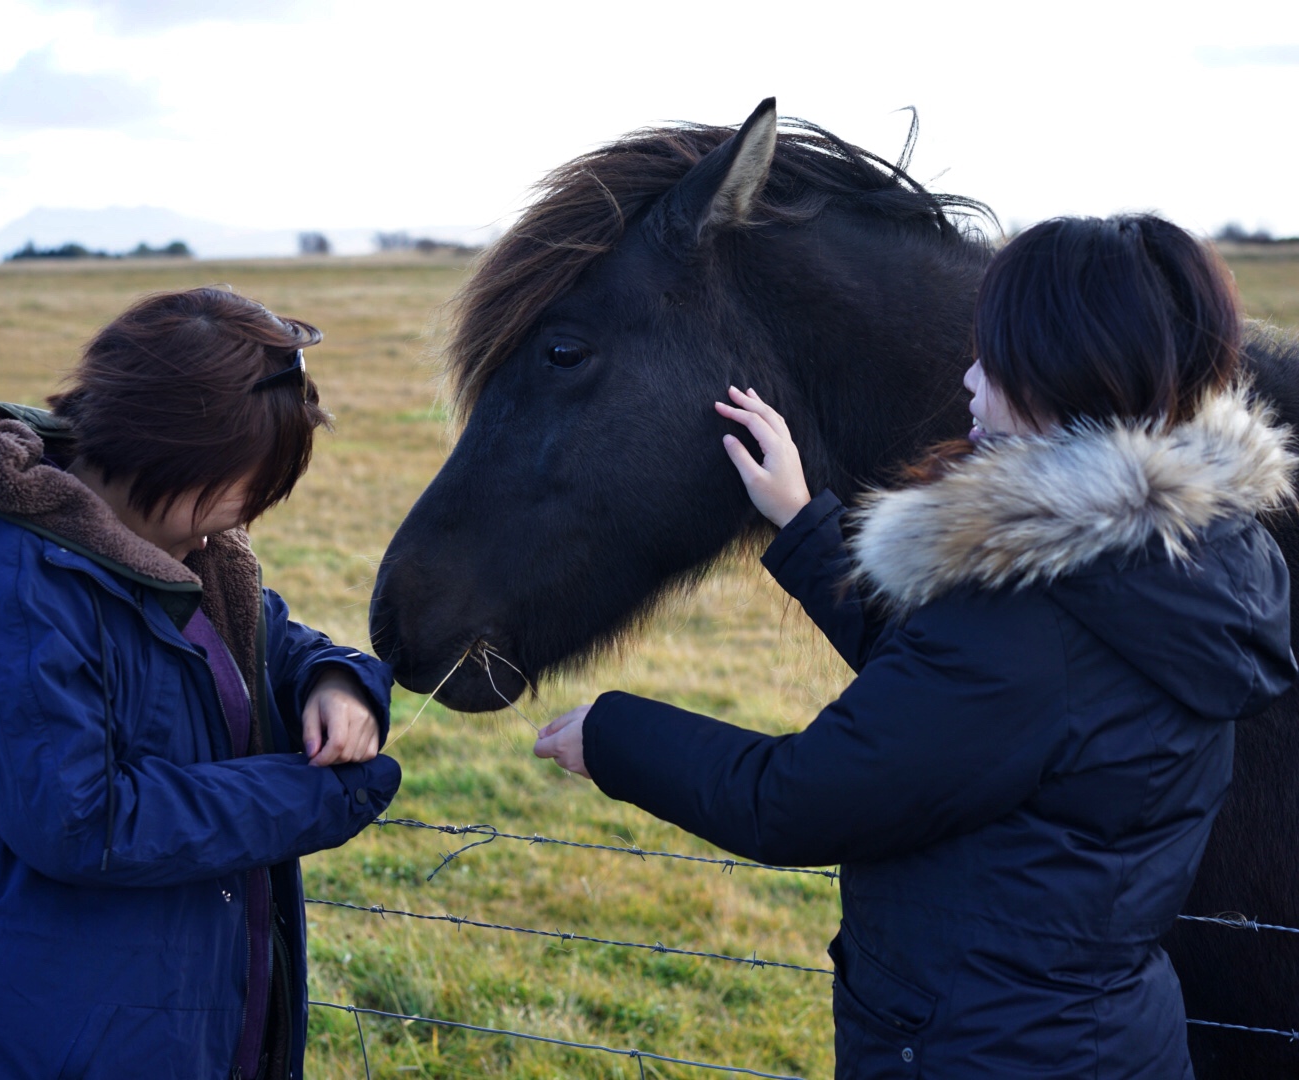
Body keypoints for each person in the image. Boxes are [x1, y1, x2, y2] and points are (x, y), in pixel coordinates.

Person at [533, 214, 1298, 1078]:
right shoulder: (1195, 557)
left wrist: (614, 735)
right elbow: (957, 703)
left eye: (995, 358)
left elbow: (797, 800)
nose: (970, 381)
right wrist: (804, 523)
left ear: (1062, 371)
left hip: (979, 1051)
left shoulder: (1035, 614)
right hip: (1112, 1038)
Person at [0, 287, 400, 1079]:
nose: (247, 515)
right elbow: (79, 821)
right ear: (170, 451)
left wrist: (337, 681)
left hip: (175, 1025)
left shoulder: (190, 556)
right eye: (245, 485)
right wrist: (318, 796)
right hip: (37, 1041)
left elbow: (270, 645)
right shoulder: (15, 579)